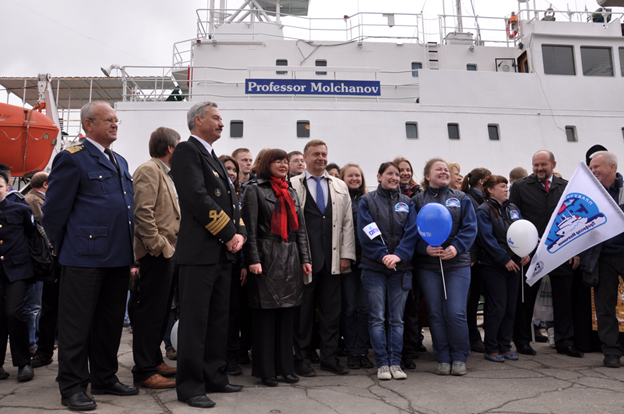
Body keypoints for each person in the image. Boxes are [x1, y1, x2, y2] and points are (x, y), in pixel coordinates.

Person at [43, 101, 138, 411]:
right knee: (76, 326)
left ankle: (104, 376)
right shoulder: (72, 159)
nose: (114, 124)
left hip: (118, 256)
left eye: (115, 119)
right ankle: (71, 386)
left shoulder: (120, 161)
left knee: (109, 323)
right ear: (88, 125)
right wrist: (65, 248)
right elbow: (54, 213)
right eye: (107, 120)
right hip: (83, 257)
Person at [171, 101, 247, 409]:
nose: (221, 122)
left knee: (218, 319)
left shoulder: (212, 156)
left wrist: (239, 233)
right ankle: (190, 386)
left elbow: (232, 202)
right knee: (195, 322)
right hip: (200, 252)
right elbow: (197, 198)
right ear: (197, 120)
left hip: (220, 254)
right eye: (216, 118)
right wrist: (229, 234)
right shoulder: (188, 151)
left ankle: (214, 375)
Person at [241, 149, 312, 386]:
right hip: (266, 257)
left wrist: (305, 258)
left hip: (290, 257)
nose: (283, 165)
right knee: (265, 318)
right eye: (277, 161)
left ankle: (286, 368)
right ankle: (266, 371)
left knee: (287, 317)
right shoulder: (253, 189)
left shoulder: (290, 190)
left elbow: (300, 230)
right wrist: (252, 260)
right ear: (266, 164)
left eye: (285, 161)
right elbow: (249, 230)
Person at [291, 140, 355, 377]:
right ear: (305, 158)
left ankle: (328, 358)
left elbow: (348, 222)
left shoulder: (339, 185)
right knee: (303, 314)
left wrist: (347, 255)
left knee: (331, 313)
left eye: (324, 154)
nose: (321, 158)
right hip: (304, 261)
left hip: (333, 260)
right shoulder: (292, 184)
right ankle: (302, 359)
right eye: (316, 154)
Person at [509, 150, 583, 358]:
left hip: (562, 251)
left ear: (553, 164)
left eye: (543, 165)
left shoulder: (567, 186)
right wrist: (525, 246)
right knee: (525, 300)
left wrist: (575, 251)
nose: (539, 169)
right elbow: (514, 218)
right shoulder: (521, 187)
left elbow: (575, 218)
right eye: (536, 165)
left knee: (563, 300)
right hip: (531, 253)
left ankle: (564, 342)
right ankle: (522, 341)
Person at [413, 158, 477, 376]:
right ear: (427, 176)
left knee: (456, 311)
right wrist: (424, 248)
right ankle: (442, 356)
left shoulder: (462, 199)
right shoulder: (417, 200)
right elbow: (412, 232)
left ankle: (459, 356)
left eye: (445, 169)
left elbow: (470, 228)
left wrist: (456, 248)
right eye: (437, 169)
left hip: (457, 264)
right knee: (436, 313)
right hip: (429, 266)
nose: (443, 172)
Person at [358, 161, 418, 380]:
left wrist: (398, 255)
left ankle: (395, 362)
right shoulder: (367, 201)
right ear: (379, 176)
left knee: (397, 320)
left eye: (397, 174)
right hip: (374, 268)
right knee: (376, 318)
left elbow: (412, 233)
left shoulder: (408, 203)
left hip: (400, 269)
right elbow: (367, 231)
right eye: (390, 174)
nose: (394, 177)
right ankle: (382, 363)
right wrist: (383, 255)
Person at [131, 126, 181, 389]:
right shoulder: (149, 170)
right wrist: (158, 246)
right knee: (150, 313)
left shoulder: (166, 173)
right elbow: (143, 213)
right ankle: (144, 371)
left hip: (168, 252)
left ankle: (154, 359)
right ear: (170, 147)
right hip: (158, 253)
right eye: (179, 145)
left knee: (160, 312)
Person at [476, 175, 530, 363]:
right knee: (497, 307)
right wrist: (504, 259)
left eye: (507, 186)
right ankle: (491, 348)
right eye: (502, 186)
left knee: (510, 308)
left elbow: (523, 231)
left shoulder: (513, 208)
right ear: (490, 190)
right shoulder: (484, 211)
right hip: (494, 266)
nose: (506, 189)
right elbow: (487, 240)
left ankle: (505, 346)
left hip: (515, 265)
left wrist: (525, 251)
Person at [583, 151, 624, 368]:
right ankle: (611, 352)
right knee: (604, 306)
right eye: (590, 168)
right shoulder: (590, 193)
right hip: (603, 257)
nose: (593, 171)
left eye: (596, 167)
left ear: (612, 168)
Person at [0, 170, 35, 382]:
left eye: (0, 186)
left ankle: (23, 363)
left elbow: (31, 234)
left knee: (14, 313)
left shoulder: (21, 209)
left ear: (7, 188)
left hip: (17, 270)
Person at [339, 164, 373, 370]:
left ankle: (363, 350)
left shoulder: (368, 201)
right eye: (350, 176)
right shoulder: (340, 200)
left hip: (367, 260)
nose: (354, 179)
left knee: (365, 308)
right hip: (347, 260)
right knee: (350, 308)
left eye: (357, 175)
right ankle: (352, 351)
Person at [219, 154, 249, 376]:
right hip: (220, 261)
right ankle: (224, 358)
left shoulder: (241, 195)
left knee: (236, 313)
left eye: (233, 169)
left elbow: (245, 228)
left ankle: (234, 354)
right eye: (226, 168)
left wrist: (246, 263)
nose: (230, 172)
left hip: (239, 263)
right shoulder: (217, 195)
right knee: (223, 314)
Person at [460, 168, 491, 354]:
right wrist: (471, 256)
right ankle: (472, 337)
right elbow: (469, 230)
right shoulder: (470, 200)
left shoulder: (478, 199)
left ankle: (476, 336)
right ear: (482, 182)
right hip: (475, 259)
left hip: (480, 257)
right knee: (471, 302)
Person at [24, 172, 49, 355]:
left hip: (40, 255)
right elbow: (42, 227)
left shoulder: (35, 198)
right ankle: (32, 343)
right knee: (33, 306)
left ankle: (35, 341)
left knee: (37, 305)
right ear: (46, 184)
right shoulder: (34, 200)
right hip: (38, 256)